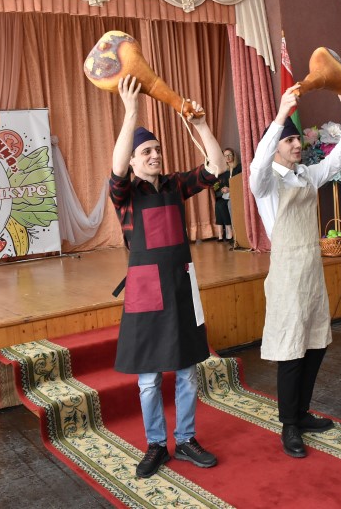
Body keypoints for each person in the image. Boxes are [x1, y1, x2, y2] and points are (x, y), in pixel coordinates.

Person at [109, 74, 225, 478]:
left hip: (180, 284)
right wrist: (131, 113)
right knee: (148, 380)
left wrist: (202, 126)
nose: (155, 155)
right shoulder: (126, 194)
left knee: (189, 372)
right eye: (146, 151)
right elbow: (116, 168)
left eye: (157, 149)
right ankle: (156, 445)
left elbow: (216, 167)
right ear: (133, 161)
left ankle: (186, 439)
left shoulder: (175, 185)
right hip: (144, 290)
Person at [249, 81, 341, 458]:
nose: (297, 145)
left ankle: (301, 412)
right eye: (289, 141)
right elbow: (257, 165)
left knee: (315, 344)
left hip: (311, 272)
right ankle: (289, 425)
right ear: (276, 146)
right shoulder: (266, 184)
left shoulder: (306, 176)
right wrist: (281, 115)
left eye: (297, 139)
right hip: (286, 275)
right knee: (291, 350)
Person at [212, 147, 242, 242]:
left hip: (236, 194)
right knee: (218, 204)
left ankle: (229, 231)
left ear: (234, 156)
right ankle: (221, 233)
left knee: (222, 204)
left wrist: (230, 189)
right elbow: (217, 186)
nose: (228, 157)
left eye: (230, 155)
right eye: (225, 156)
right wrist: (221, 189)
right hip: (226, 196)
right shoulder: (224, 171)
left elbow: (240, 183)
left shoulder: (239, 168)